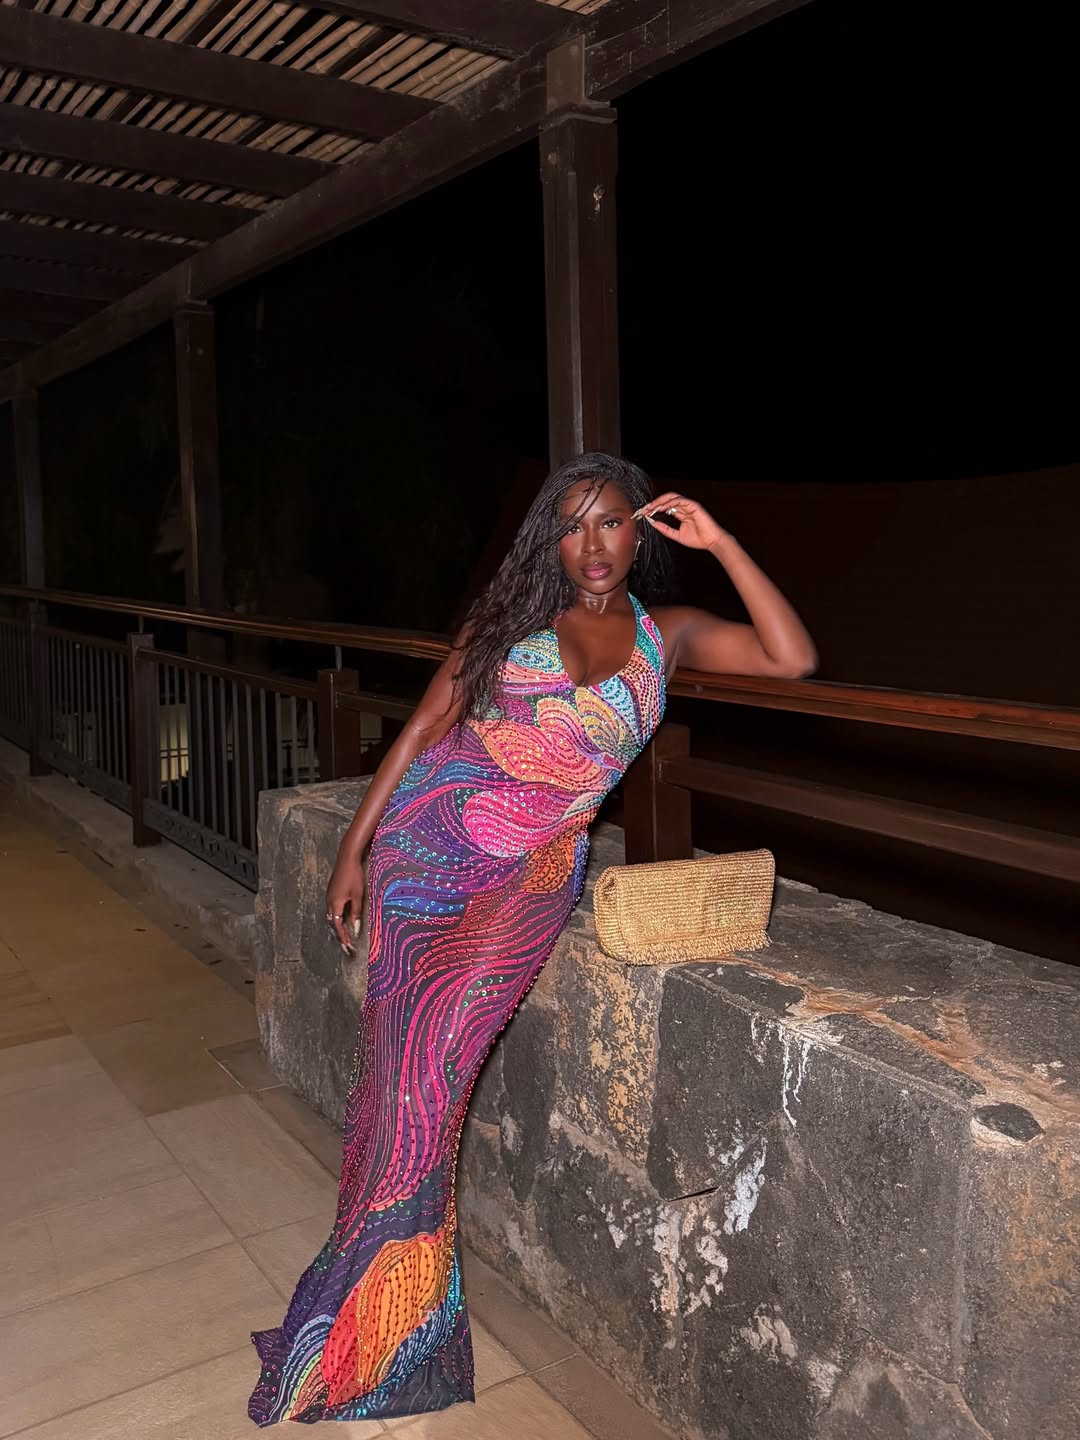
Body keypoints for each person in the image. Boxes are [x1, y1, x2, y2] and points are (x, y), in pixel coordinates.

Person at [248, 452, 817, 1425]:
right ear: (549, 540)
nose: (593, 545)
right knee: (400, 1090)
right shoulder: (511, 624)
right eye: (572, 525)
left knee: (431, 1089)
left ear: (640, 533)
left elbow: (791, 657)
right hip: (426, 855)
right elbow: (426, 726)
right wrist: (354, 849)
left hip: (531, 884)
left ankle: (385, 1328)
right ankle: (376, 1323)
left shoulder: (669, 634)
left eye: (611, 522)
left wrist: (722, 543)